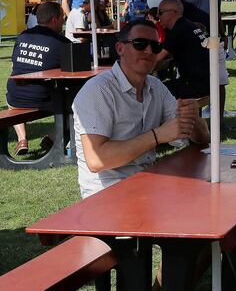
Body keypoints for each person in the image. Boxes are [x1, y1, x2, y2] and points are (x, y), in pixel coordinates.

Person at [72, 19, 209, 199]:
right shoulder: (98, 91)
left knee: (204, 200)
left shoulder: (155, 86)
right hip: (106, 194)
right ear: (120, 48)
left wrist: (193, 117)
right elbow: (97, 160)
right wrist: (157, 135)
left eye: (155, 46)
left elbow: (203, 139)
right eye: (140, 44)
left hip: (148, 183)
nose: (149, 51)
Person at [169, 0, 229, 125]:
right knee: (194, 84)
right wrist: (190, 24)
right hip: (190, 44)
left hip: (214, 40)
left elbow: (217, 12)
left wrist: (223, 33)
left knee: (219, 81)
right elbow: (172, 12)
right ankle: (196, 122)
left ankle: (219, 122)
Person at [5, 2, 69, 156]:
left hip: (15, 96)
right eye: (62, 18)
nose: (63, 21)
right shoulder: (62, 43)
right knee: (73, 104)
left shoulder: (23, 36)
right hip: (42, 98)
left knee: (11, 104)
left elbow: (15, 62)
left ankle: (22, 138)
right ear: (54, 20)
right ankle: (53, 137)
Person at [155, 0, 210, 99]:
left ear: (173, 12)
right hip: (205, 82)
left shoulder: (178, 30)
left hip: (194, 85)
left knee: (152, 92)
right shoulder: (188, 25)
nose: (158, 16)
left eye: (160, 12)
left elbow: (157, 58)